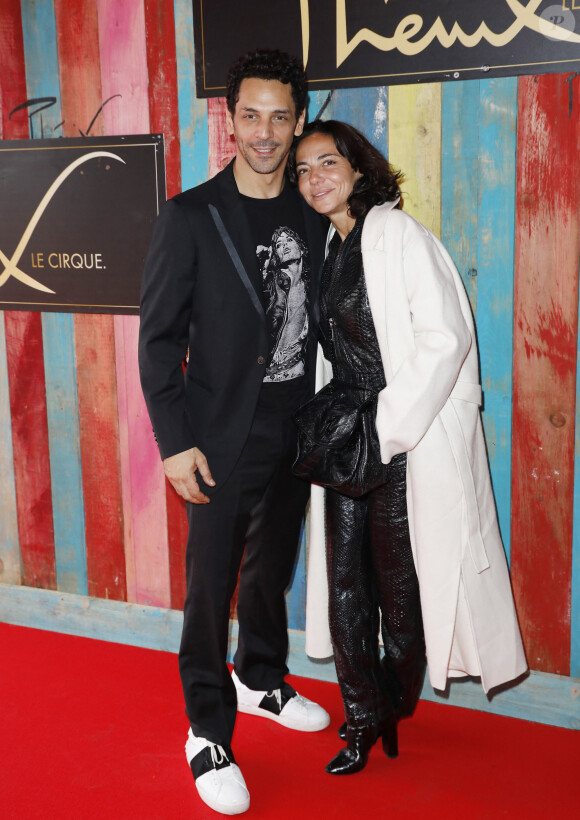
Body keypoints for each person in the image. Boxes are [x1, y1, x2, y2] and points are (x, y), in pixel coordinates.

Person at [288, 120, 528, 775]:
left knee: (401, 591)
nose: (315, 178)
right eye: (303, 169)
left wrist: (390, 424)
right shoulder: (329, 247)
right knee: (343, 584)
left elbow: (445, 338)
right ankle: (363, 717)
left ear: (360, 169)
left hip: (397, 432)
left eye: (327, 162)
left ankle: (394, 699)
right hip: (347, 433)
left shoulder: (397, 236)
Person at [138, 50, 329, 816]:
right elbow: (158, 340)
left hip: (296, 431)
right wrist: (174, 441)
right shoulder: (191, 215)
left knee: (270, 570)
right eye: (251, 114)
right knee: (210, 586)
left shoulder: (316, 215)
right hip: (215, 438)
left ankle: (261, 679)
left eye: (280, 116)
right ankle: (207, 730)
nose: (265, 131)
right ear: (230, 117)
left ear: (299, 122)